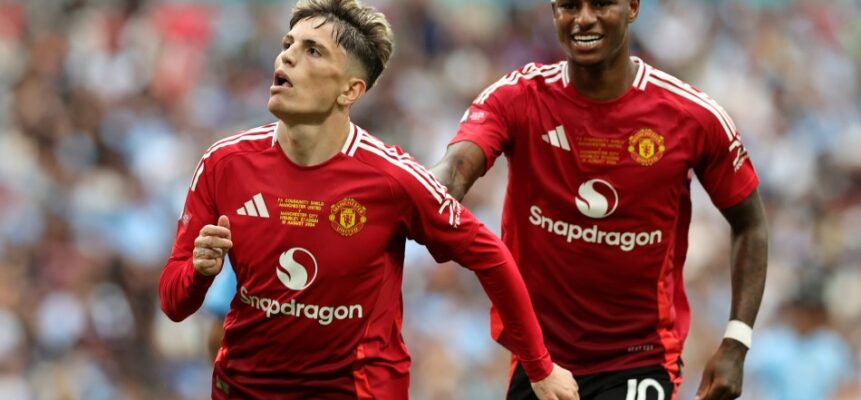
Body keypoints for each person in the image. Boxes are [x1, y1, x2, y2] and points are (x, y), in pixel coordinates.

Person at [157, 0, 578, 398]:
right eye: (288, 44)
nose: (286, 57)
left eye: (312, 51)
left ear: (350, 91)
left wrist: (539, 367)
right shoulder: (224, 164)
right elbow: (173, 303)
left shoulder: (393, 179)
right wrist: (198, 272)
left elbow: (490, 256)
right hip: (245, 389)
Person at [430, 1, 768, 399]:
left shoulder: (693, 116)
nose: (584, 18)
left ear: (633, 7)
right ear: (554, 11)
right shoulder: (517, 98)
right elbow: (456, 167)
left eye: (602, 3)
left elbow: (750, 223)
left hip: (640, 358)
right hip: (540, 361)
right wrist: (429, 190)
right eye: (570, 5)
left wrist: (737, 340)